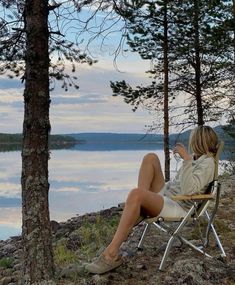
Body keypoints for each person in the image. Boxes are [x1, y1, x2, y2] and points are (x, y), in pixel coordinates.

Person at [85, 125, 219, 274]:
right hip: (168, 196)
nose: (190, 143)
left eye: (193, 139)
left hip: (178, 204)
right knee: (150, 158)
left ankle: (111, 255)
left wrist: (186, 160)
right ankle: (139, 206)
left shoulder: (207, 163)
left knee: (136, 194)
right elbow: (178, 184)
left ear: (198, 141)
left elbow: (188, 190)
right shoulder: (196, 158)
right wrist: (187, 162)